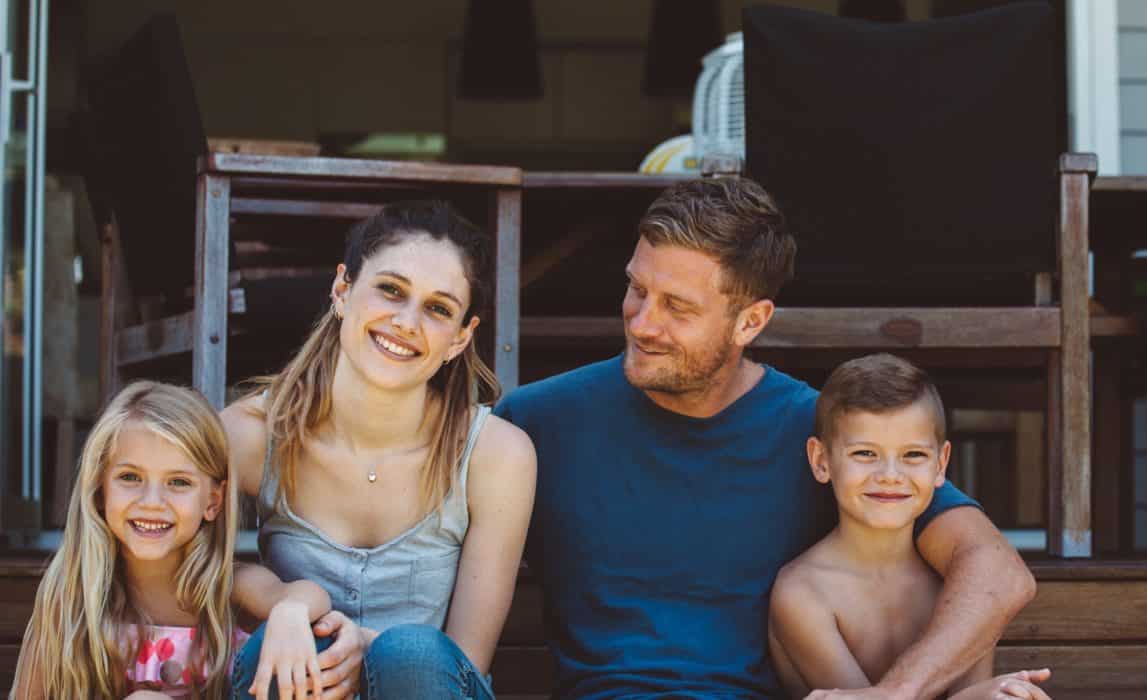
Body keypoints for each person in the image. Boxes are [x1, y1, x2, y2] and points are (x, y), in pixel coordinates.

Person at [496, 178, 1037, 699]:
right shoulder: (536, 421)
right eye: (638, 290)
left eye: (677, 307)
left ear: (750, 322)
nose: (642, 324)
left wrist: (897, 691)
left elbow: (996, 570)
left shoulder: (822, 432)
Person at [221, 200, 537, 699]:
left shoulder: (495, 454)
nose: (406, 322)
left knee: (410, 654)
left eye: (438, 309)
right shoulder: (253, 431)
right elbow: (187, 566)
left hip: (425, 688)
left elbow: (466, 661)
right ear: (342, 289)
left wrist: (364, 646)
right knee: (285, 644)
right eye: (390, 290)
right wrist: (284, 605)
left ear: (461, 337)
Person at [769, 354, 1050, 700]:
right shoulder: (803, 593)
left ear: (941, 464)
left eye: (913, 455)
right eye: (865, 454)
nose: (890, 474)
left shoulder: (958, 590)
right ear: (821, 460)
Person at [10, 381, 244, 699]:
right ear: (99, 488)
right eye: (130, 477)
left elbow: (303, 596)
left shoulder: (229, 588)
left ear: (213, 501)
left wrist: (290, 615)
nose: (151, 501)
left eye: (178, 482)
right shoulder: (72, 595)